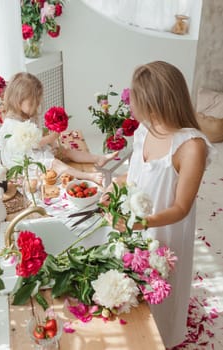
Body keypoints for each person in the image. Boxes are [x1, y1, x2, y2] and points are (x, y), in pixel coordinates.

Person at [102, 61, 216, 348]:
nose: (133, 108)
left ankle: (162, 337)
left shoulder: (191, 146)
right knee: (132, 287)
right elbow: (137, 174)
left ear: (156, 103)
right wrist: (114, 186)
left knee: (162, 289)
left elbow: (181, 207)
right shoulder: (145, 129)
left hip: (164, 232)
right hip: (136, 224)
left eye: (138, 101)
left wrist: (144, 223)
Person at [0, 72, 118, 185]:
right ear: (18, 101)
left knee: (64, 151)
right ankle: (87, 176)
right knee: (55, 164)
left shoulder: (23, 116)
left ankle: (98, 158)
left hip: (31, 150)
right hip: (22, 160)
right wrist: (52, 137)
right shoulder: (12, 125)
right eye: (32, 104)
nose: (35, 108)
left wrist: (51, 141)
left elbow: (35, 137)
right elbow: (35, 143)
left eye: (37, 103)